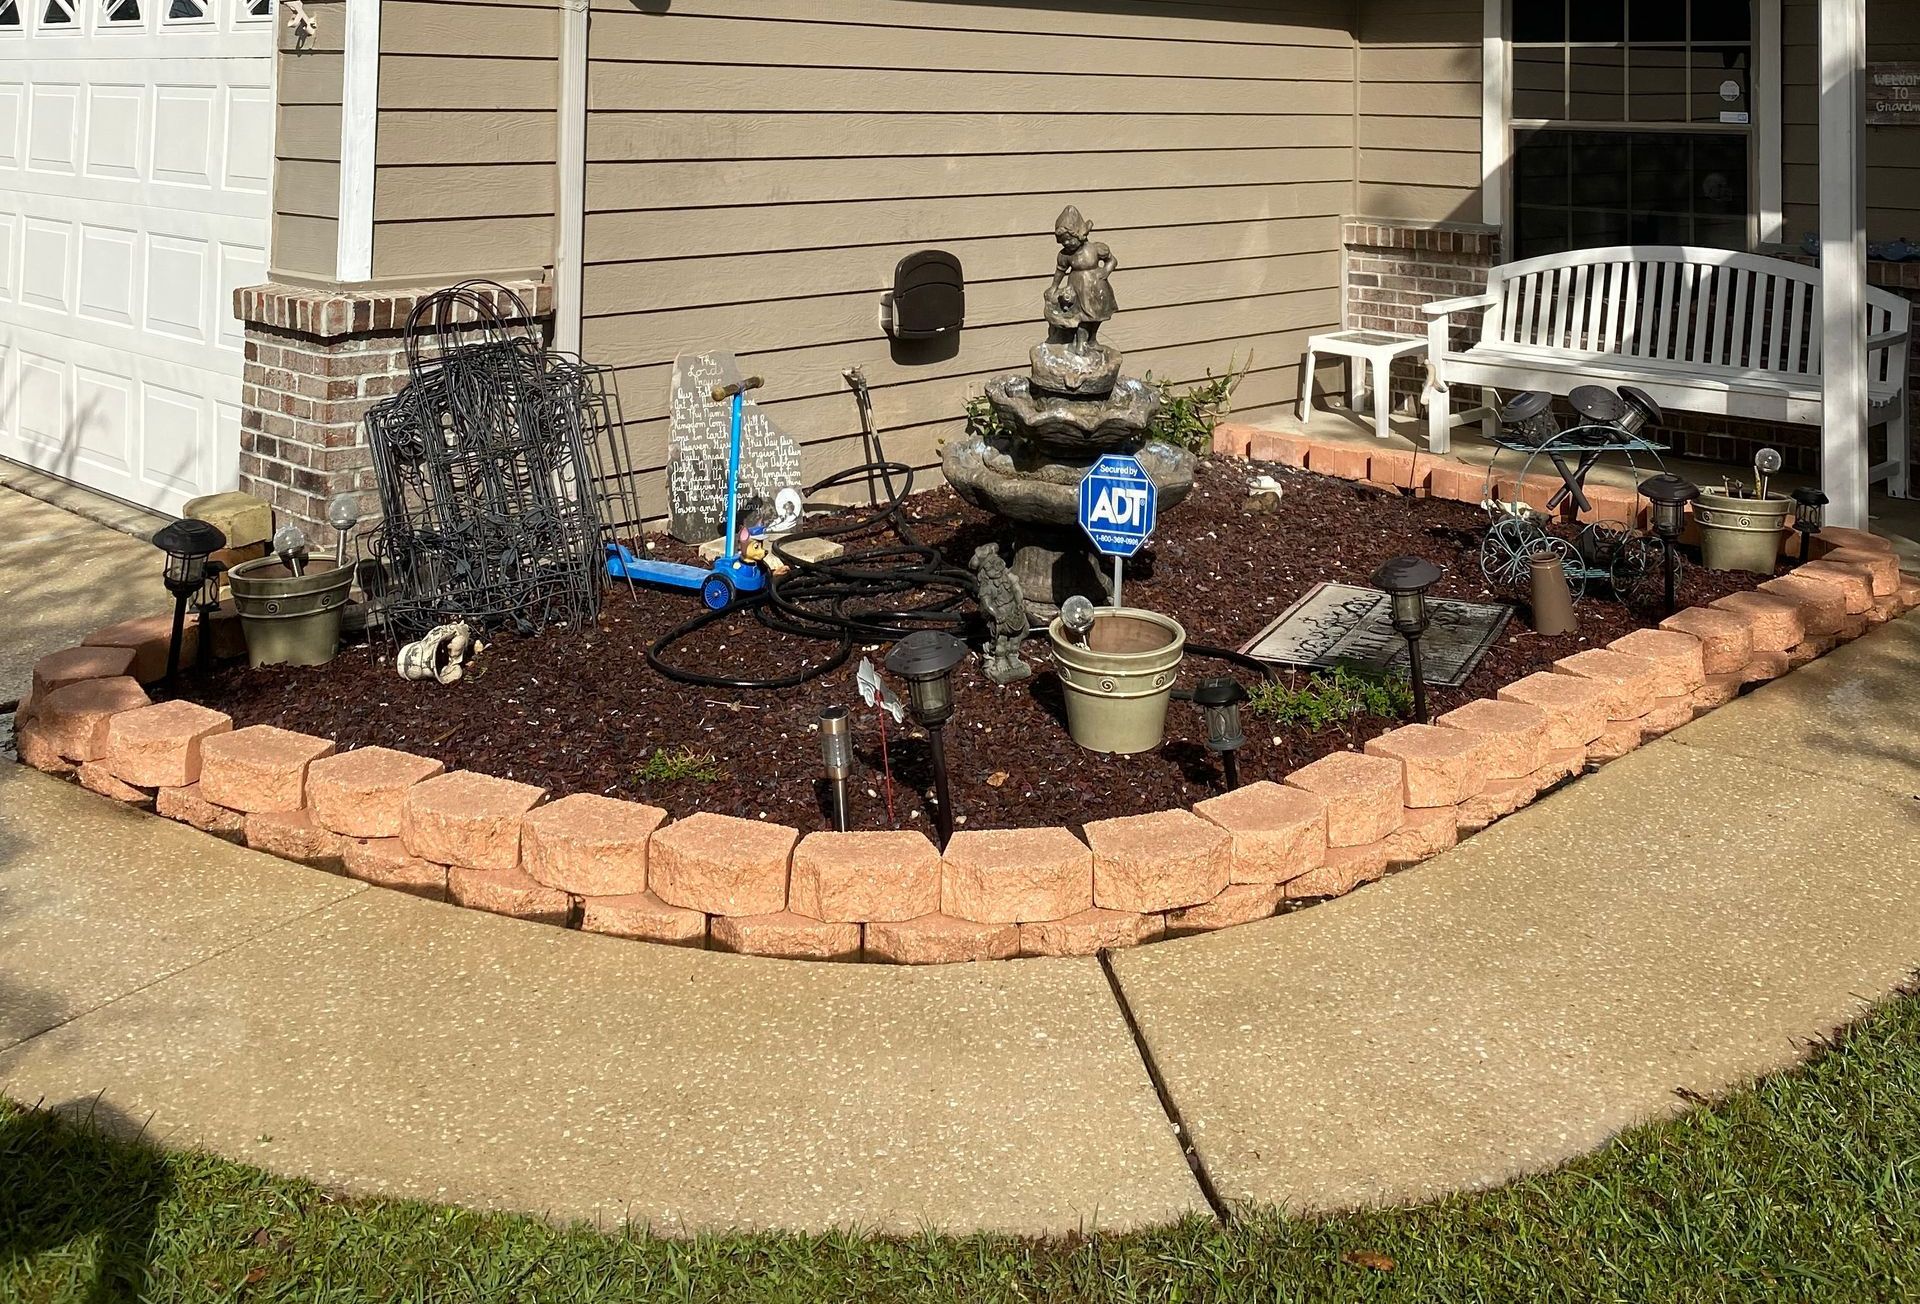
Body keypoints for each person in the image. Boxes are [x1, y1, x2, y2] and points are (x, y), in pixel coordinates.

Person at [1045, 206, 1118, 349]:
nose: (1066, 244)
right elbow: (1060, 271)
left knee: (1097, 316)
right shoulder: (1065, 255)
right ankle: (1081, 343)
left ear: (1079, 235)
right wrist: (1054, 287)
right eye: (1063, 241)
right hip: (1078, 288)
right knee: (1082, 317)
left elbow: (1112, 260)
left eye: (1069, 240)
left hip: (1098, 287)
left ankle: (1092, 340)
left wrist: (1106, 270)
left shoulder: (1095, 248)